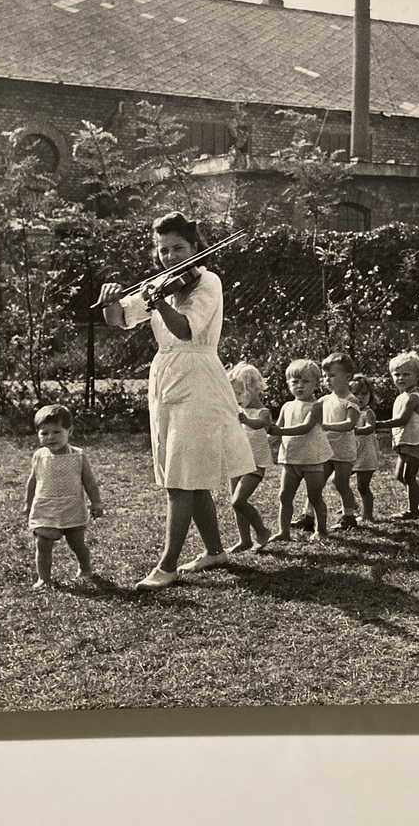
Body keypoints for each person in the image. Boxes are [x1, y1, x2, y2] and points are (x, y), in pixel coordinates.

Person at [98, 212, 256, 589]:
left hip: (199, 376)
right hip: (166, 376)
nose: (170, 257)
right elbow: (120, 320)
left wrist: (159, 302)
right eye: (163, 250)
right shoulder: (161, 283)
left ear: (195, 246)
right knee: (185, 472)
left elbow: (186, 329)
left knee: (180, 479)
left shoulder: (208, 281)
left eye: (178, 248)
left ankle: (166, 566)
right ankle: (215, 550)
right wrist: (110, 300)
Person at [24, 404, 104, 590]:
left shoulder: (78, 456)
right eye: (44, 433)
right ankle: (44, 578)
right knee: (42, 544)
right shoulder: (39, 456)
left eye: (57, 432)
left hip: (72, 506)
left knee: (77, 544)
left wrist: (96, 501)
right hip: (46, 507)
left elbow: (89, 482)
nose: (51, 437)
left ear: (70, 431)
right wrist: (27, 504)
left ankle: (85, 567)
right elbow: (32, 481)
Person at [291, 352, 360, 532]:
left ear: (347, 377)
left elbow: (350, 424)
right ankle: (308, 516)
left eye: (332, 375)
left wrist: (327, 426)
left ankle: (349, 515)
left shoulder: (351, 400)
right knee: (317, 484)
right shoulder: (323, 400)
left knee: (340, 483)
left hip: (344, 450)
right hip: (326, 449)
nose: (327, 380)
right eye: (325, 376)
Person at [268, 359, 333, 542]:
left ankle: (321, 530)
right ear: (288, 383)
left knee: (314, 496)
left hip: (312, 458)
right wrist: (265, 437)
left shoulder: (317, 406)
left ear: (316, 384)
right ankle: (283, 532)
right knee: (284, 495)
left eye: (306, 382)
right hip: (290, 459)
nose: (300, 386)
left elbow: (306, 427)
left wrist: (279, 431)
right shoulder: (287, 406)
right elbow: (276, 430)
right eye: (295, 382)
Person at [376, 351, 419, 520]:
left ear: (417, 376)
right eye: (397, 374)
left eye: (406, 374)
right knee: (399, 475)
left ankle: (413, 510)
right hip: (406, 441)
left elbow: (401, 420)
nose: (401, 378)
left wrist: (378, 425)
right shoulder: (402, 396)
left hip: (416, 442)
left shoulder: (412, 398)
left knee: (409, 476)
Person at [227, 362, 273, 553]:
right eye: (234, 394)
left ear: (254, 390)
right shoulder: (238, 412)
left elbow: (259, 424)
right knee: (235, 504)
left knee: (238, 501)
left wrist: (245, 420)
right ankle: (244, 540)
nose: (236, 398)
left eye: (240, 393)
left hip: (255, 463)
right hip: (237, 459)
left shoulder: (263, 412)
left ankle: (262, 531)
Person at [350, 374, 379, 524]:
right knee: (338, 480)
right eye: (355, 393)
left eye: (364, 393)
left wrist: (356, 430)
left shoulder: (367, 412)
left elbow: (370, 427)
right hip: (352, 453)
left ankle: (368, 514)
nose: (360, 397)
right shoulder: (349, 411)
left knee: (363, 486)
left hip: (366, 454)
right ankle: (350, 503)